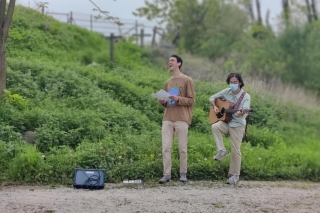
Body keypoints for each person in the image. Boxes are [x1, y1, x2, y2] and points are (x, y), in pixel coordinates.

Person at [158, 55, 195, 184]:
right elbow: (166, 102)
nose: (169, 62)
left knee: (182, 148)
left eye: (172, 60)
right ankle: (166, 174)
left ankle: (183, 173)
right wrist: (163, 101)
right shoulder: (167, 82)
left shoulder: (187, 80)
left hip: (182, 118)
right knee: (166, 147)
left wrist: (177, 98)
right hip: (167, 118)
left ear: (179, 63)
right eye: (168, 60)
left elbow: (191, 100)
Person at [209, 73, 250, 185]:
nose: (233, 84)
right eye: (231, 82)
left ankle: (234, 175)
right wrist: (215, 106)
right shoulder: (226, 91)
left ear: (240, 83)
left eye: (235, 82)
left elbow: (245, 109)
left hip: (237, 125)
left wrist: (241, 112)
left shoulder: (245, 96)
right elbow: (212, 97)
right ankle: (222, 150)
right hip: (227, 122)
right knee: (215, 126)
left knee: (235, 150)